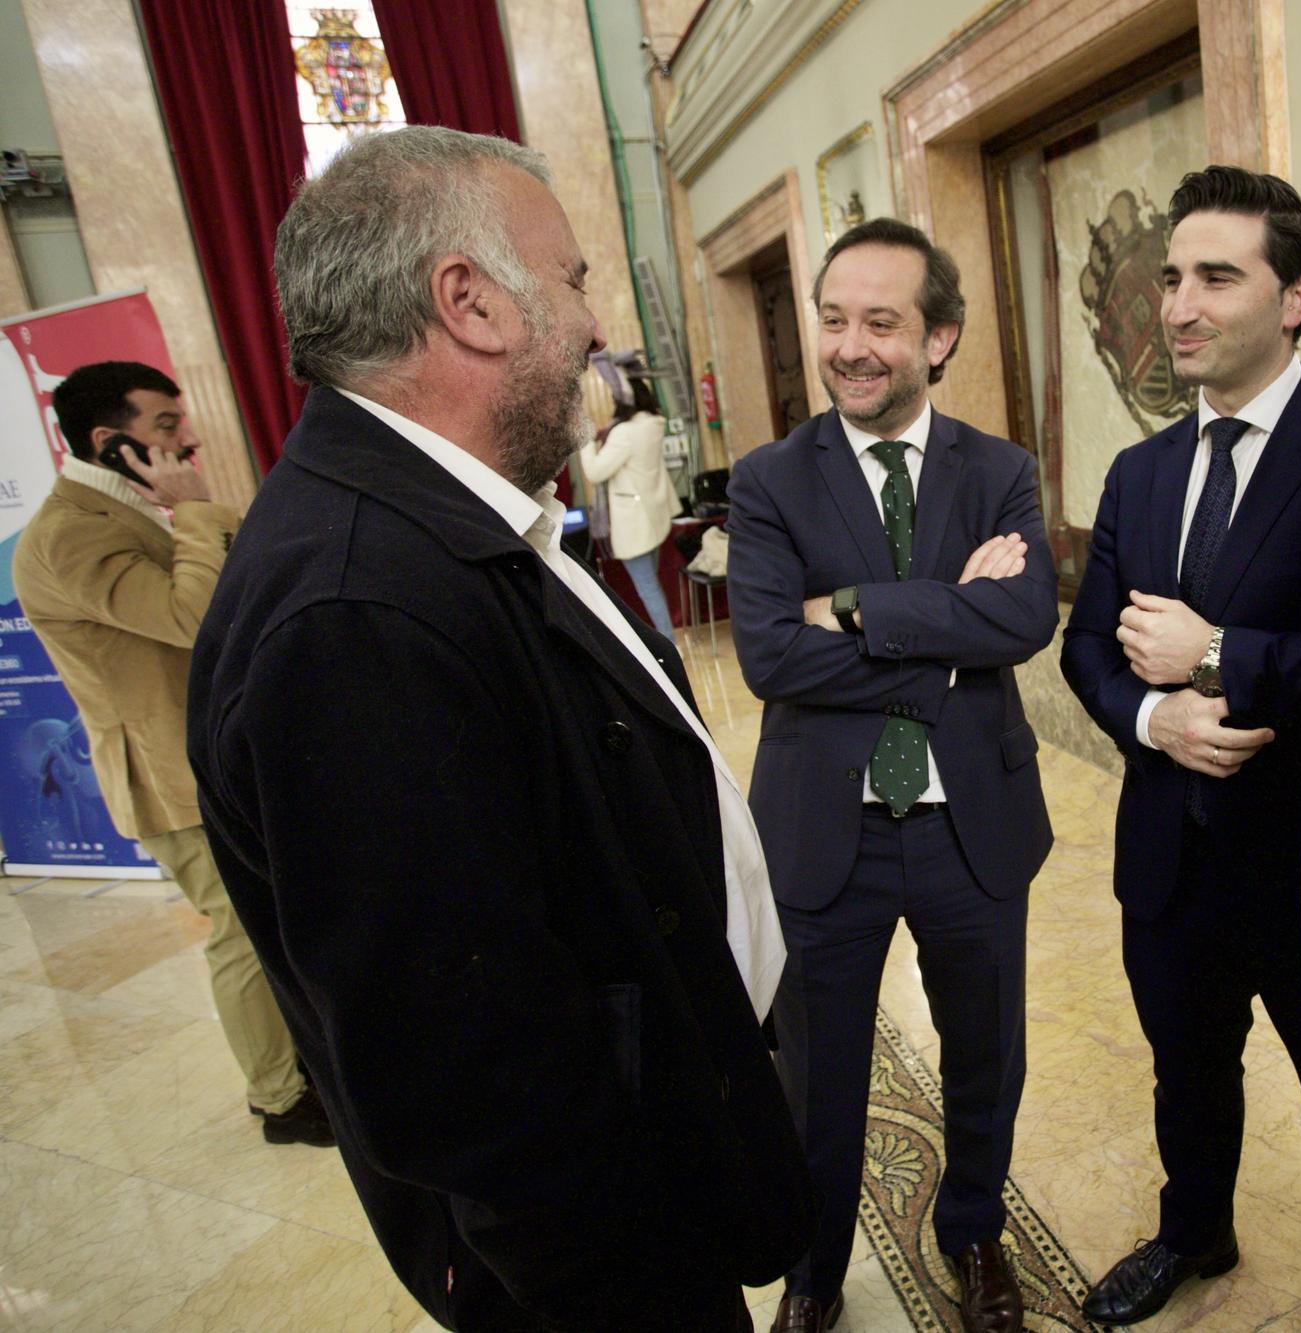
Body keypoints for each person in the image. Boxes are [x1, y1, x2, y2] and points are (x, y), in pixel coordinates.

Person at [185, 126, 812, 1332]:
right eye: (573, 280)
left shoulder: (441, 521)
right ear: (467, 301)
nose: (591, 326)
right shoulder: (356, 612)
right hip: (610, 1267)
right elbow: (473, 1079)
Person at [1060, 167, 1301, 1331]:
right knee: (1186, 1073)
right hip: (1168, 857)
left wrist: (1220, 656)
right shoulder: (1139, 470)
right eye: (1170, 275)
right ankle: (1194, 1232)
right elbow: (1088, 649)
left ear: (1297, 297)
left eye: (1214, 275)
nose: (1176, 303)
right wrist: (1148, 717)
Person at [728, 217, 1058, 1333]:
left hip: (974, 827)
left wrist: (856, 608)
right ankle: (816, 1272)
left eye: (881, 322)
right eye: (833, 319)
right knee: (815, 1079)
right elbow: (769, 651)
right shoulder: (769, 479)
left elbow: (1021, 620)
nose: (850, 346)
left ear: (940, 337)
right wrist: (944, 629)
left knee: (984, 1056)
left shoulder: (1001, 469)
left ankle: (971, 1236)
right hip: (827, 831)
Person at [12, 360, 333, 1149]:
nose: (183, 438)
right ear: (107, 439)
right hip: (166, 774)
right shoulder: (68, 535)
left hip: (215, 751)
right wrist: (196, 512)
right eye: (162, 426)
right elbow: (191, 613)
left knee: (273, 919)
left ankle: (301, 1064)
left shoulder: (132, 507)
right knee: (238, 929)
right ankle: (278, 1097)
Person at [579, 373, 679, 641]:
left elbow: (595, 472)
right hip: (654, 515)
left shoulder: (624, 433)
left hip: (634, 522)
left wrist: (587, 441)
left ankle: (669, 643)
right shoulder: (654, 423)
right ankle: (669, 639)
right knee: (653, 584)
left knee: (647, 587)